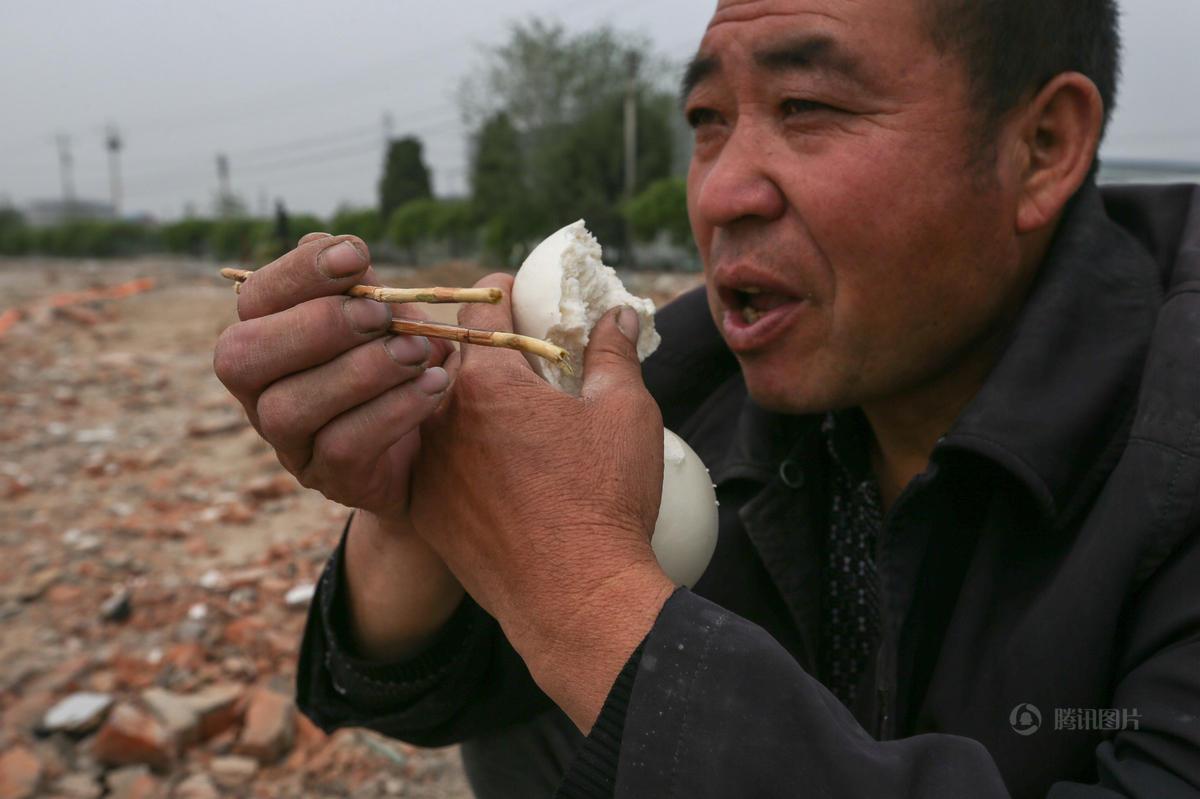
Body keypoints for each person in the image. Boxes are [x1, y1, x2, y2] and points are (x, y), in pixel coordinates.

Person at [213, 0, 1200, 796]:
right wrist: (417, 497)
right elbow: (435, 697)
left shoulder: (1176, 418)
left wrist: (590, 598)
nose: (724, 193)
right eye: (707, 122)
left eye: (807, 108)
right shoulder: (677, 374)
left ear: (1041, 145)